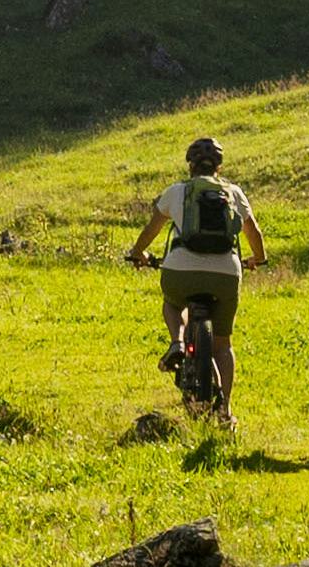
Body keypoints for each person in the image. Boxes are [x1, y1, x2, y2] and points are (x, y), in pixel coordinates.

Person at [121, 136, 256, 411]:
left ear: (190, 165)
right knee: (222, 345)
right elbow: (254, 232)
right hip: (226, 275)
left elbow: (152, 229)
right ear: (219, 166)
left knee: (172, 303)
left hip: (180, 271)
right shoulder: (234, 193)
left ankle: (177, 342)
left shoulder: (177, 191)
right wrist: (259, 259)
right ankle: (226, 410)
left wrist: (138, 252)